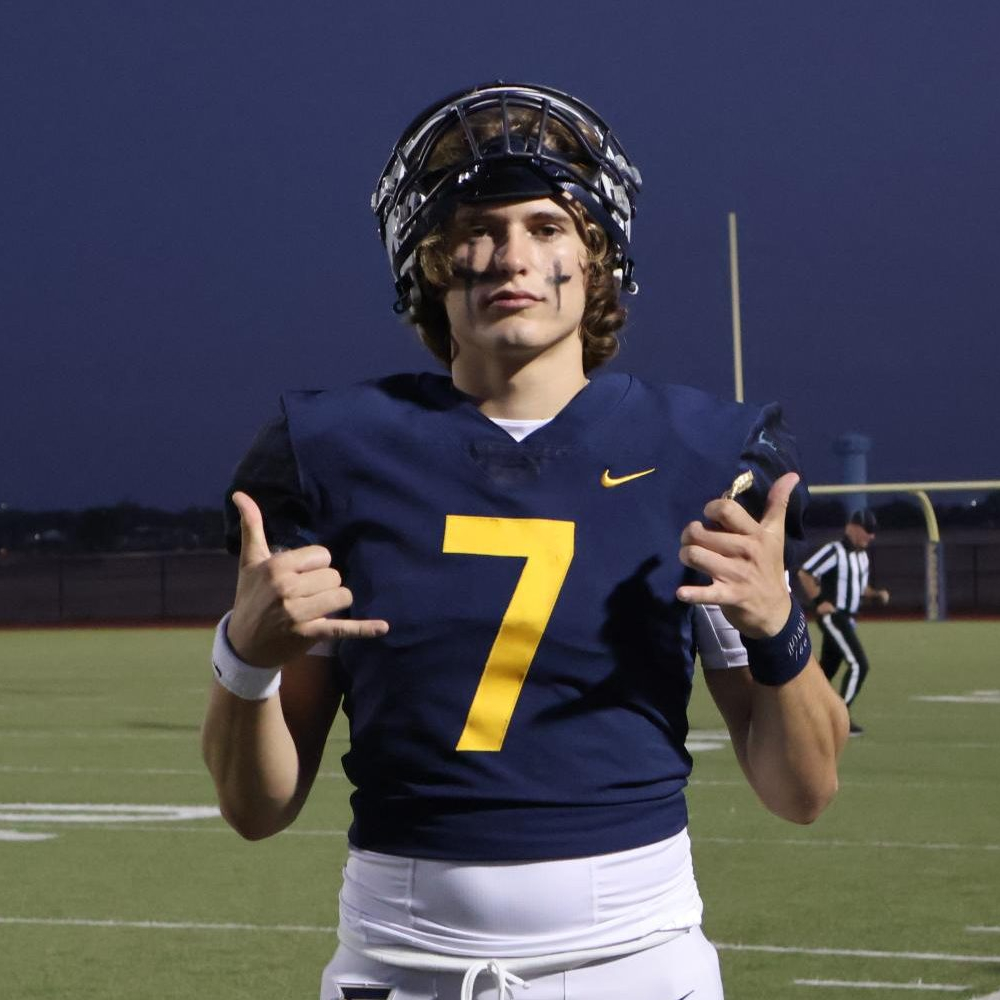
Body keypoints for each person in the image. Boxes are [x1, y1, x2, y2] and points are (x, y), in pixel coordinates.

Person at [201, 82, 849, 1000]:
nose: (512, 256)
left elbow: (803, 792)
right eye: (478, 226)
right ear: (429, 260)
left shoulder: (700, 456)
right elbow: (256, 809)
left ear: (596, 255)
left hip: (635, 958)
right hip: (403, 959)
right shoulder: (333, 453)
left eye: (547, 226)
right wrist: (245, 661)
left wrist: (780, 627)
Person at [796, 508, 890, 735]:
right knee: (859, 664)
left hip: (848, 618)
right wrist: (818, 601)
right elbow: (805, 573)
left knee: (824, 671)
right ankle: (841, 718)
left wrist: (876, 594)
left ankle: (796, 712)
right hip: (834, 617)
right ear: (853, 528)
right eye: (868, 531)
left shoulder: (862, 556)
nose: (871, 536)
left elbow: (859, 587)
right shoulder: (835, 551)